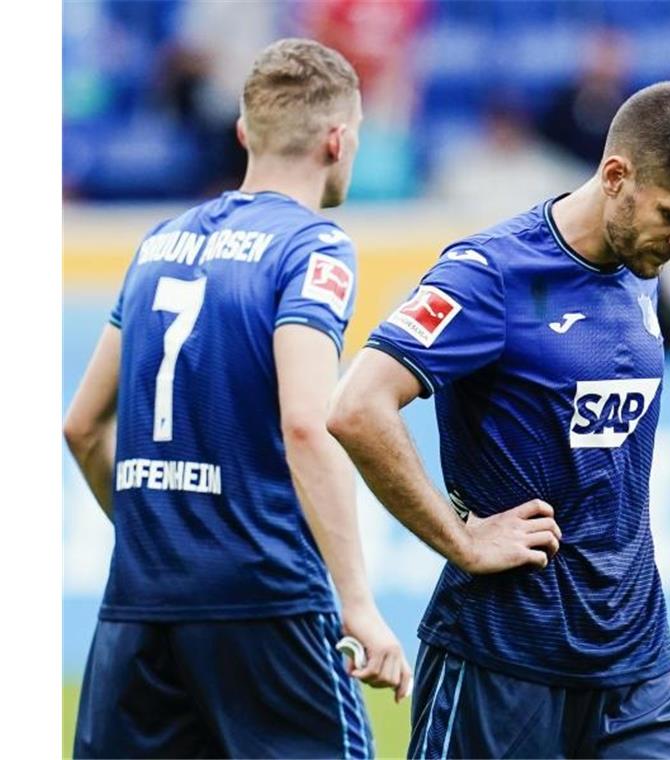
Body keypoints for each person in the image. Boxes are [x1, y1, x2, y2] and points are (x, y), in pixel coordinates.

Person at [328, 81, 670, 758]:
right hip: (503, 656)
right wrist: (461, 541)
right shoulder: (491, 274)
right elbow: (356, 405)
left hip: (637, 662)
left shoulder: (643, 263)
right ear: (616, 176)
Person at [63, 38, 411, 759]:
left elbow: (81, 427)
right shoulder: (312, 249)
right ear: (340, 140)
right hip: (265, 602)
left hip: (138, 608)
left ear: (245, 132)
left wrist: (165, 538)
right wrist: (357, 604)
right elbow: (308, 424)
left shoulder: (158, 243)